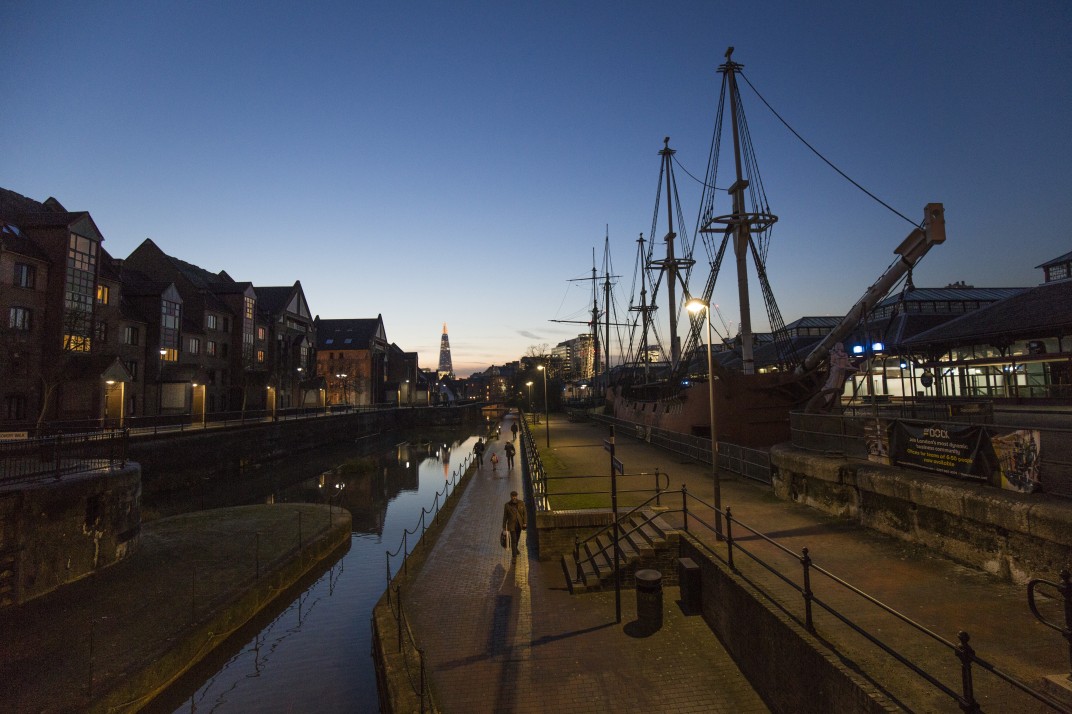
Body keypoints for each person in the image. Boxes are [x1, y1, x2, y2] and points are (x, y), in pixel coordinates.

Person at [502, 490, 527, 556]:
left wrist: (525, 522)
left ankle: (515, 548)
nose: (514, 497)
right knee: (514, 539)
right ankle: (514, 556)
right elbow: (505, 517)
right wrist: (504, 527)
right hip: (511, 525)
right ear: (511, 497)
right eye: (513, 496)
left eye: (515, 496)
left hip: (519, 524)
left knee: (517, 538)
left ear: (517, 496)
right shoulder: (507, 505)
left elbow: (525, 513)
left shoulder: (521, 503)